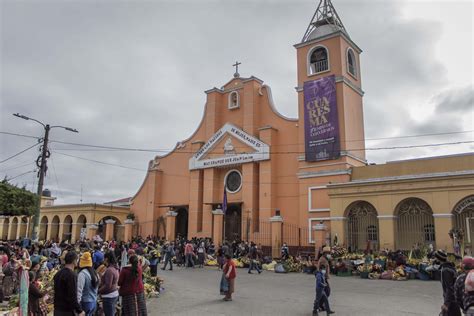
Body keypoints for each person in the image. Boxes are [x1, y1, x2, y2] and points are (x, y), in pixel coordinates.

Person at [54, 251, 84, 316]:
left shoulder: (58, 274)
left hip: (57, 309)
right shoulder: (72, 275)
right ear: (74, 261)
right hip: (66, 310)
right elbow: (72, 295)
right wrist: (79, 310)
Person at [435, 249, 461, 316]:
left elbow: (449, 288)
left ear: (438, 259)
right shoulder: (450, 267)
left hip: (451, 301)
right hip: (454, 299)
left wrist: (446, 303)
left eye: (435, 257)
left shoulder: (445, 270)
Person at [77, 252, 99, 316]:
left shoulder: (82, 274)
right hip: (93, 302)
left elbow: (79, 290)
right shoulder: (95, 273)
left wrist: (77, 305)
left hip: (85, 303)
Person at [98, 251, 120, 316]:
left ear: (106, 259)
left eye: (104, 258)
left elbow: (108, 286)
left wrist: (98, 291)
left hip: (109, 296)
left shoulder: (109, 270)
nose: (103, 260)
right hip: (113, 294)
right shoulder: (114, 267)